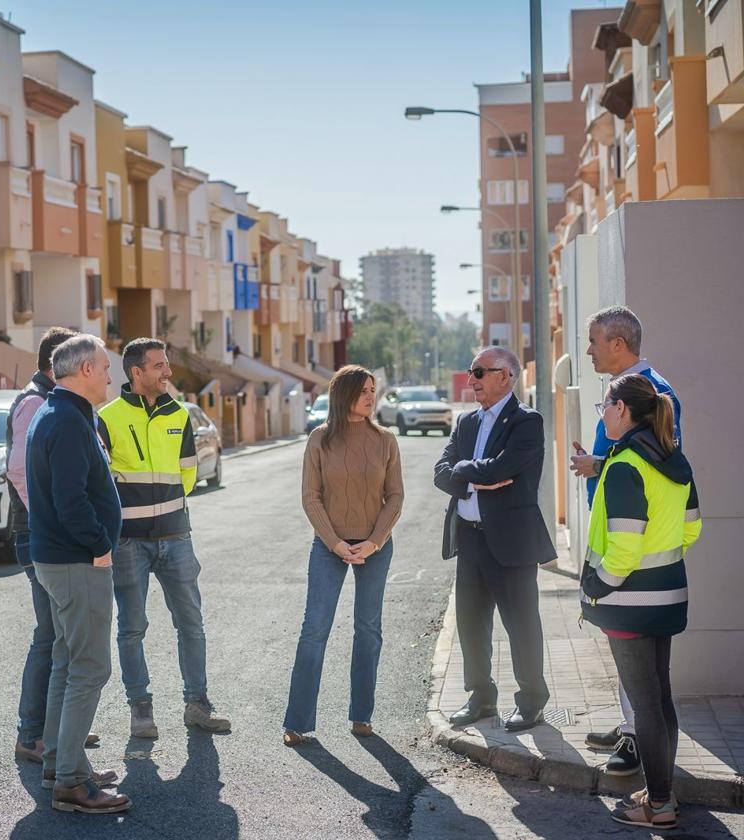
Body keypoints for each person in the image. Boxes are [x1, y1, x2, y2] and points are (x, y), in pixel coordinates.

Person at [580, 374, 700, 831]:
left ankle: (660, 805)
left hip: (628, 602)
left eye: (604, 406)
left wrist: (596, 587)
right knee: (660, 698)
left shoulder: (625, 465)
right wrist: (659, 569)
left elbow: (626, 550)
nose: (603, 414)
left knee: (645, 705)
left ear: (623, 410)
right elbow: (691, 530)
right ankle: (659, 793)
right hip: (668, 597)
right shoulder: (674, 459)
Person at [96, 337, 231, 738]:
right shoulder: (107, 418)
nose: (168, 372)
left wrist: (167, 508)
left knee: (191, 623)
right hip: (128, 542)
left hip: (176, 535)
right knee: (132, 627)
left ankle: (198, 704)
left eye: (167, 364)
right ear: (136, 373)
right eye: (159, 366)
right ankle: (141, 710)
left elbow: (188, 473)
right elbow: (101, 482)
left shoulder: (179, 415)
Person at [572, 306, 682, 777]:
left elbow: (655, 462)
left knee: (646, 680)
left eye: (594, 340)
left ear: (619, 343)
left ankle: (644, 755)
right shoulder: (630, 389)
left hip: (630, 555)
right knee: (645, 681)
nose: (589, 349)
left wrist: (601, 466)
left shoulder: (651, 391)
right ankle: (633, 728)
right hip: (629, 548)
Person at [25, 334, 129, 815]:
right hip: (75, 561)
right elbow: (71, 500)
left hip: (60, 559)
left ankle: (61, 764)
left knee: (69, 662)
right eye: (106, 367)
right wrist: (100, 546)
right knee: (90, 667)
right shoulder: (65, 419)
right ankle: (70, 781)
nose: (112, 376)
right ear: (85, 369)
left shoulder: (59, 411)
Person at [433, 347, 555, 733]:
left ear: (506, 376)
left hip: (512, 541)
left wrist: (464, 472)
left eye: (480, 373)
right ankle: (481, 697)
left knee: (521, 624)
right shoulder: (466, 423)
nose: (472, 380)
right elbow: (440, 472)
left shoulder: (527, 422)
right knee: (470, 624)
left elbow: (503, 468)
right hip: (469, 540)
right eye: (471, 372)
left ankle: (532, 701)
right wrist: (475, 475)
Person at [282, 365, 404, 746]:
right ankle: (298, 722)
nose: (371, 396)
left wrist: (374, 541)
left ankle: (361, 717)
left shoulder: (385, 440)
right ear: (343, 394)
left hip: (375, 547)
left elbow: (395, 496)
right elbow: (310, 496)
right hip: (328, 546)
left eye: (373, 390)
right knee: (314, 630)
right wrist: (335, 542)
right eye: (363, 390)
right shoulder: (320, 439)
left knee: (368, 630)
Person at [7, 327, 102, 763]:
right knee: (51, 638)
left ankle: (61, 732)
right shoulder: (36, 403)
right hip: (42, 535)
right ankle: (34, 737)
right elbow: (21, 473)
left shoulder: (54, 403)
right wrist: (54, 524)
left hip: (49, 533)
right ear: (55, 365)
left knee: (59, 638)